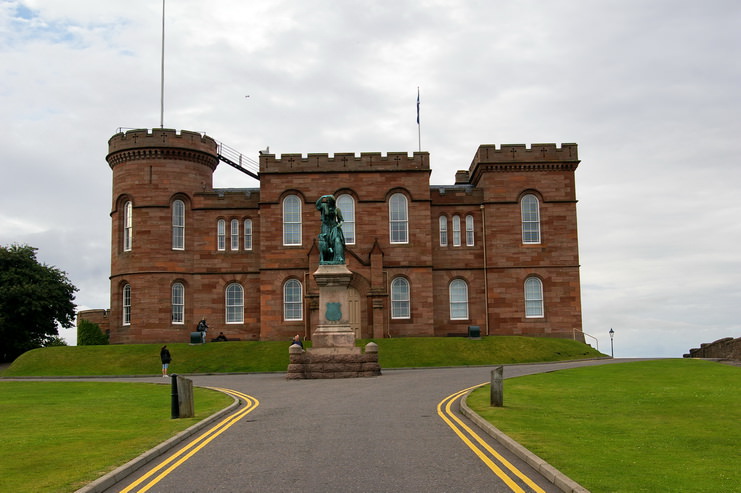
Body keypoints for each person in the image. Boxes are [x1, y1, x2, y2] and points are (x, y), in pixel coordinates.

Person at [315, 194, 345, 264]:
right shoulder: (323, 206)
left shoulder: (337, 210)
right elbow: (317, 205)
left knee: (337, 241)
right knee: (325, 243)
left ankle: (339, 257)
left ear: (332, 202)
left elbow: (341, 220)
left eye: (329, 201)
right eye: (327, 201)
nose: (328, 202)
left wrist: (340, 224)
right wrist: (322, 197)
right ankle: (324, 258)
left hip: (334, 227)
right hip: (326, 226)